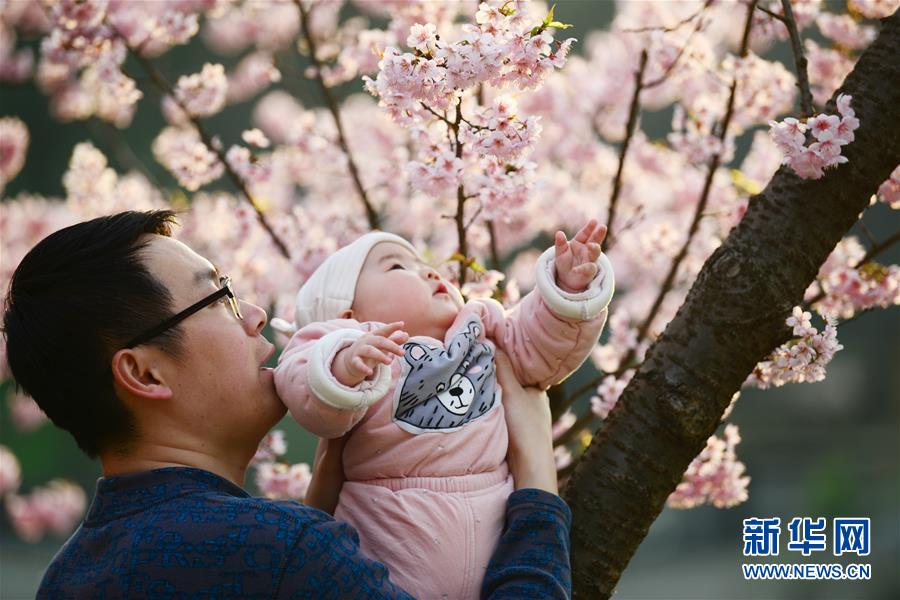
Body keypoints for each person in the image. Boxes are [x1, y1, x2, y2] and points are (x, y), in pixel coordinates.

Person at [2, 210, 573, 598]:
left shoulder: (69, 576)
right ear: (144, 372)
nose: (254, 314)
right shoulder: (281, 552)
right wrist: (536, 483)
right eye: (219, 297)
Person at [268, 224, 614, 597]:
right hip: (393, 539)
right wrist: (343, 365)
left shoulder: (480, 327)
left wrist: (566, 290)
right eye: (398, 268)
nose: (432, 272)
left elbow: (539, 346)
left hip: (497, 530)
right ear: (347, 316)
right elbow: (304, 383)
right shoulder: (367, 354)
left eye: (425, 264)